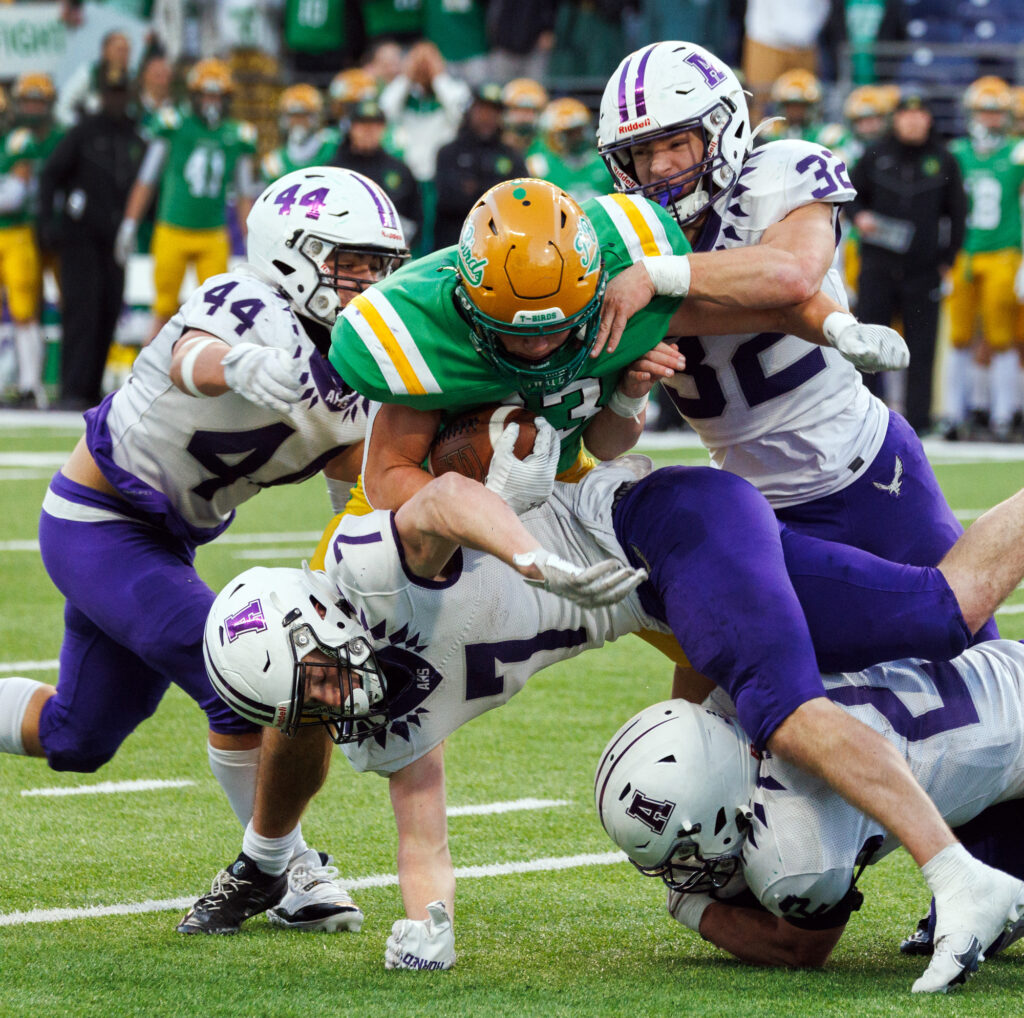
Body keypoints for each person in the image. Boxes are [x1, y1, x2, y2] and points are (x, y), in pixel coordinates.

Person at [186, 448, 1024, 986]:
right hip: (669, 600)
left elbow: (440, 497)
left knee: (785, 706)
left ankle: (958, 875)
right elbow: (422, 831)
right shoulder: (371, 721)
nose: (336, 703)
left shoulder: (368, 570)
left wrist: (528, 557)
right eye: (310, 708)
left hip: (656, 528)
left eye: (322, 681)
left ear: (320, 620)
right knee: (943, 610)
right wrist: (424, 922)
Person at [0, 166, 409, 931]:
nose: (367, 280)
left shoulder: (358, 363)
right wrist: (240, 366)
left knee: (76, 737)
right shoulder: (248, 302)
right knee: (239, 675)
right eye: (348, 260)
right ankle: (287, 872)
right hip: (98, 518)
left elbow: (350, 480)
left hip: (165, 544)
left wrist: (364, 558)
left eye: (378, 264)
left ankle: (279, 863)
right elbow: (194, 353)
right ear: (292, 250)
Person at [595, 43, 979, 614]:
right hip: (752, 507)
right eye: (641, 152)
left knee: (966, 634)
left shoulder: (776, 174)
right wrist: (628, 394)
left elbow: (793, 276)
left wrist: (656, 276)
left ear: (722, 127)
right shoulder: (621, 236)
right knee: (737, 688)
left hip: (865, 463)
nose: (657, 168)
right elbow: (606, 444)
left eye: (675, 143)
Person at [329, 176, 904, 518]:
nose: (544, 345)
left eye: (562, 325)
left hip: (566, 479)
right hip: (429, 507)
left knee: (699, 590)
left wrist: (838, 328)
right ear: (471, 304)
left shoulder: (624, 295)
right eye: (519, 330)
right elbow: (385, 479)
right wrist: (476, 508)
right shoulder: (426, 336)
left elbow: (771, 306)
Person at [596, 639, 1024, 990]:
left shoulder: (794, 840)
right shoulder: (733, 690)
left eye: (686, 852)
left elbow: (799, 949)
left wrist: (693, 909)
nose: (684, 870)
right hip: (1001, 671)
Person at [114, 59, 260, 344]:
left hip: (212, 232)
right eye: (206, 95)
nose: (211, 102)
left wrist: (252, 239)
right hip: (173, 227)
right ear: (194, 96)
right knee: (163, 308)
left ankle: (205, 381)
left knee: (216, 313)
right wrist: (129, 224)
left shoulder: (237, 134)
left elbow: (244, 193)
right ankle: (147, 379)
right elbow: (147, 179)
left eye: (217, 96)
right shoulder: (174, 124)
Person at [848, 87, 967, 436]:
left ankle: (919, 420)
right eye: (906, 115)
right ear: (895, 119)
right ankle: (864, 420)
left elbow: (958, 215)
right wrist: (860, 218)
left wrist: (948, 260)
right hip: (878, 267)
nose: (913, 122)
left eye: (919, 116)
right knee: (869, 346)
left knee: (921, 348)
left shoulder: (944, 159)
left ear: (929, 120)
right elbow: (848, 195)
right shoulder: (874, 154)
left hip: (923, 270)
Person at [36, 67, 146, 411]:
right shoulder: (82, 132)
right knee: (81, 311)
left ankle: (92, 386)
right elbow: (51, 175)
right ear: (102, 95)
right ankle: (72, 387)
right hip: (80, 238)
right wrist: (46, 222)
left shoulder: (134, 136)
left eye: (121, 93)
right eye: (111, 92)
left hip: (115, 240)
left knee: (109, 309)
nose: (116, 99)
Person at [943, 76, 1024, 442]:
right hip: (964, 253)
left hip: (1004, 252)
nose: (989, 119)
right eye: (983, 112)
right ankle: (952, 414)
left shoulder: (1018, 152)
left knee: (1002, 337)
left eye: (995, 113)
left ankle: (1002, 415)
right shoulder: (957, 153)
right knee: (958, 336)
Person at [0, 72, 63, 408]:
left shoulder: (18, 142)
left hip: (17, 232)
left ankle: (30, 384)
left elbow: (14, 195)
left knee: (25, 310)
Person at [432, 83, 528, 248]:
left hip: (501, 245)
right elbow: (449, 201)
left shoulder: (512, 156)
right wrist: (495, 191)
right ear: (470, 111)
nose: (488, 117)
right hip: (455, 244)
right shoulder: (449, 153)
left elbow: (523, 201)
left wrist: (475, 189)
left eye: (494, 112)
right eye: (482, 110)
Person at [329, 99, 421, 250]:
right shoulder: (334, 170)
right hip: (344, 249)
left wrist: (404, 244)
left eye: (375, 125)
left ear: (383, 129)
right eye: (362, 124)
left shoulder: (399, 169)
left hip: (389, 251)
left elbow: (415, 214)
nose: (368, 130)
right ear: (351, 128)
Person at [525, 97, 612, 203]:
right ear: (553, 136)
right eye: (570, 133)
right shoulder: (539, 166)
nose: (578, 138)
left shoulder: (605, 164)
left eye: (579, 131)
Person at [260, 84, 340, 185]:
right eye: (293, 116)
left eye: (304, 115)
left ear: (316, 118)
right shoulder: (274, 161)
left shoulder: (333, 144)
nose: (298, 121)